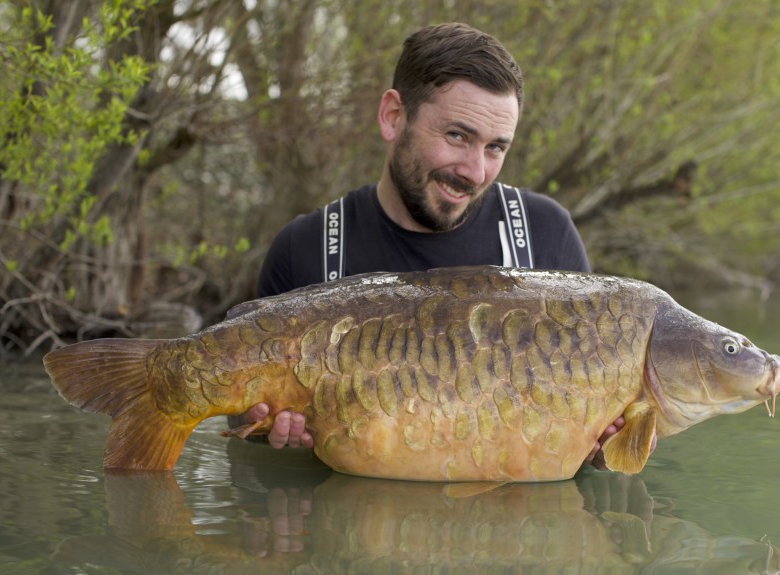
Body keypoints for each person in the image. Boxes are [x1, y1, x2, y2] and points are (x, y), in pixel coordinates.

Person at [232, 22, 634, 470]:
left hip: (509, 530)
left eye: (496, 147)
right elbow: (244, 428)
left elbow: (593, 447)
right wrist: (264, 429)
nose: (475, 171)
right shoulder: (307, 249)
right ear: (392, 116)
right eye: (457, 136)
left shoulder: (545, 235)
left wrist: (608, 447)